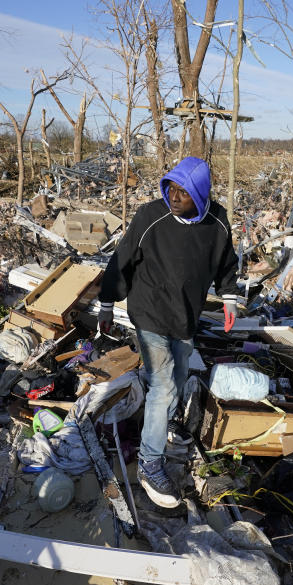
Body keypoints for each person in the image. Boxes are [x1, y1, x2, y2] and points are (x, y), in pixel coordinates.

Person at [97, 156, 239, 508]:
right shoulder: (151, 216)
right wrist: (106, 303)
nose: (174, 197)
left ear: (200, 194)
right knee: (164, 387)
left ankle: (162, 423)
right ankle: (149, 461)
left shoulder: (217, 222)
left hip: (185, 318)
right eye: (171, 189)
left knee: (176, 377)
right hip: (149, 314)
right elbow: (122, 259)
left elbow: (226, 263)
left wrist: (230, 299)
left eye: (183, 192)